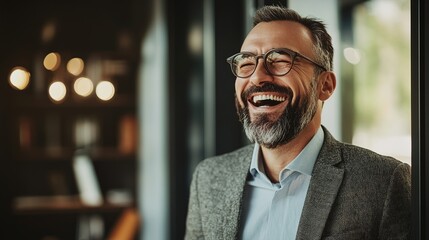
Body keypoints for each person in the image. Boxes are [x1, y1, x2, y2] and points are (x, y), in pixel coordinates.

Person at [185, 5, 411, 240]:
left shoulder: (384, 182)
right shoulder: (209, 178)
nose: (257, 76)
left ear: (325, 85)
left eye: (280, 60)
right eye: (246, 63)